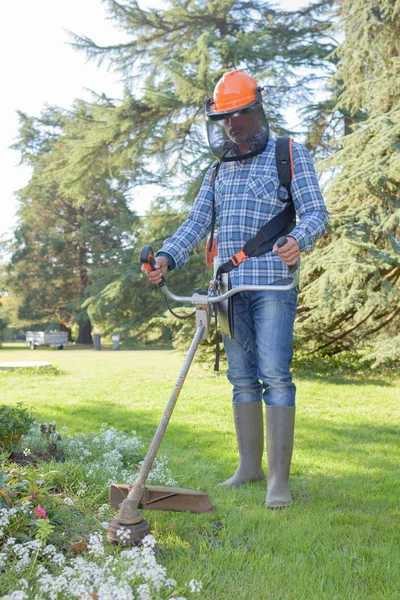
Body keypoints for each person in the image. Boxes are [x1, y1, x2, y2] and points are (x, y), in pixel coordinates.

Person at [142, 69, 330, 508]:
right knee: (241, 378)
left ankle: (278, 482)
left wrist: (296, 241)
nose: (233, 123)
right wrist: (167, 256)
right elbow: (195, 224)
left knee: (276, 376)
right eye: (225, 116)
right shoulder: (216, 171)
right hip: (227, 289)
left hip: (273, 285)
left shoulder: (288, 154)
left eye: (240, 113)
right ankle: (249, 467)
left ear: (257, 110)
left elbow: (316, 213)